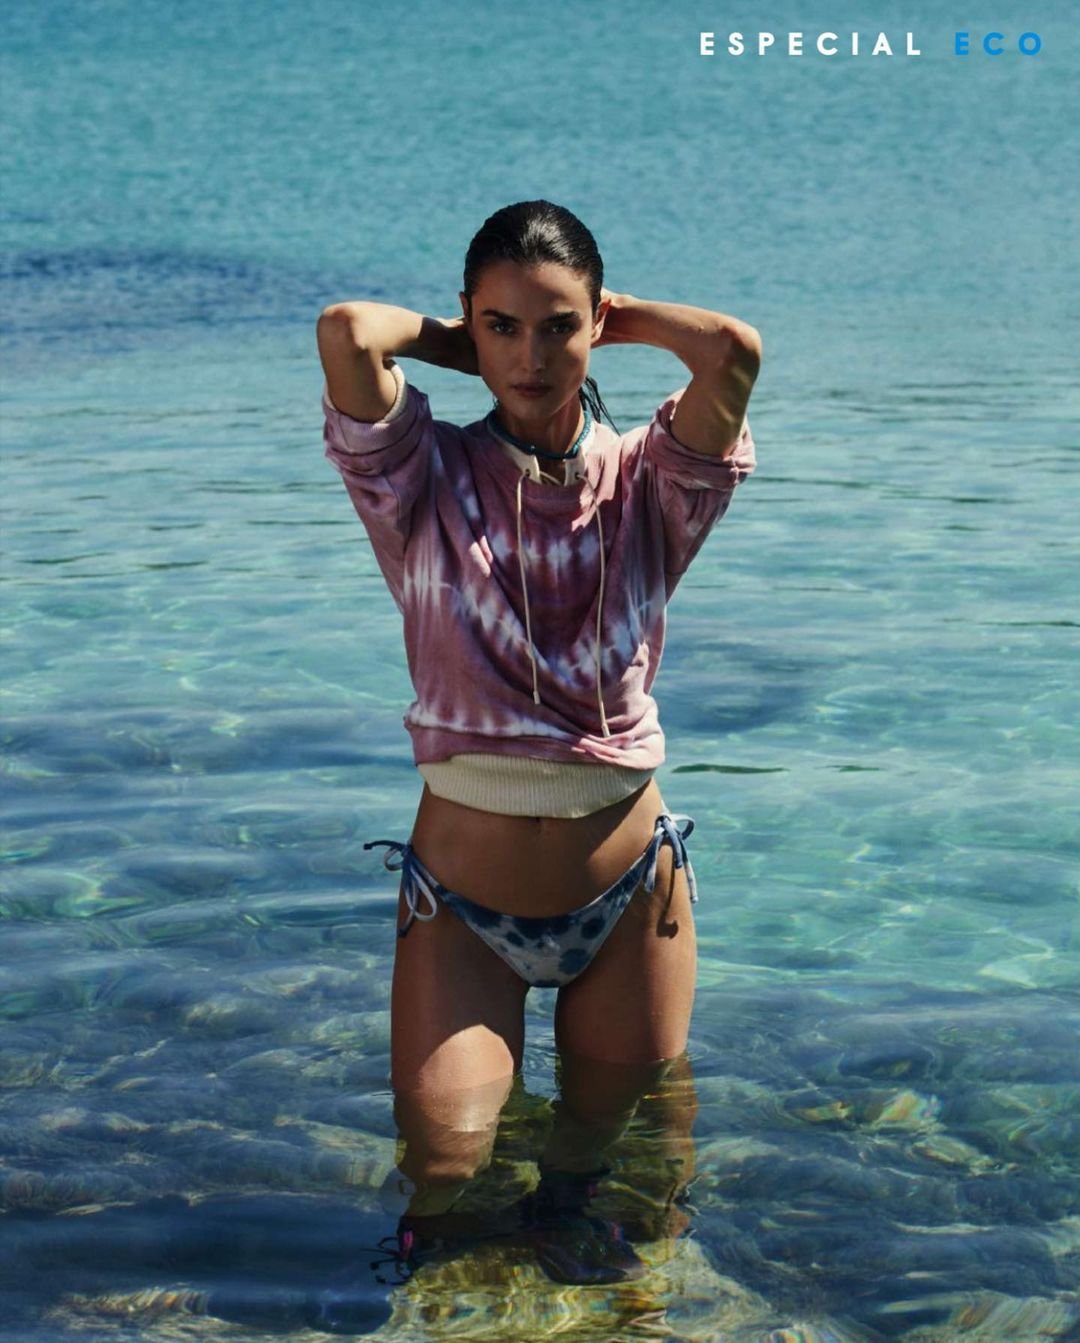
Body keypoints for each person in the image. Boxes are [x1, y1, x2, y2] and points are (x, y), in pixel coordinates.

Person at [316, 200, 761, 1284]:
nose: (530, 355)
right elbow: (347, 332)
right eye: (502, 327)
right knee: (447, 1169)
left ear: (595, 325)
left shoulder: (653, 484)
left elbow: (732, 353)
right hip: (463, 917)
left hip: (630, 904)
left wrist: (611, 319)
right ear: (471, 325)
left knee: (624, 1179)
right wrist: (462, 345)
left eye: (559, 327)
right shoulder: (418, 480)